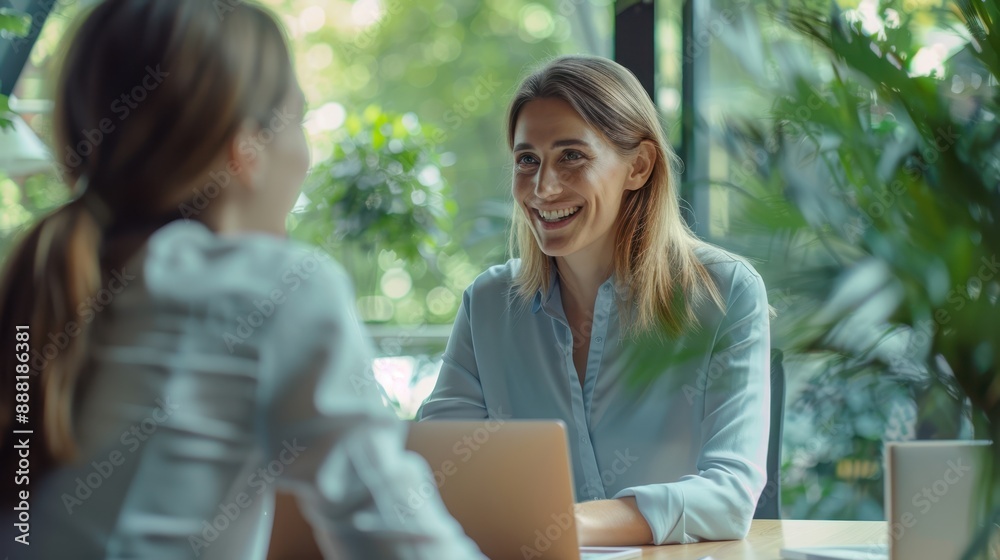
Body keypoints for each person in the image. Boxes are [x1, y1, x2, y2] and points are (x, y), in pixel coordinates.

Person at [0, 1, 481, 558]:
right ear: (246, 149)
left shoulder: (42, 272)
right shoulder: (271, 287)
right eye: (297, 121)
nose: (303, 156)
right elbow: (401, 539)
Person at [419, 55, 771, 547]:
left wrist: (564, 524)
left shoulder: (725, 292)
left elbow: (731, 495)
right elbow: (436, 471)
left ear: (639, 166)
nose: (543, 188)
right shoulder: (488, 303)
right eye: (527, 160)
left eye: (571, 156)